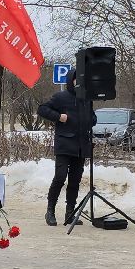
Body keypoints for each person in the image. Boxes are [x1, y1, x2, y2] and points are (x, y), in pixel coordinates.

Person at [38, 68, 97, 227]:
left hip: (81, 145)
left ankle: (69, 213)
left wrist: (90, 119)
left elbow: (93, 118)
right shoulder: (61, 97)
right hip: (64, 145)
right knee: (60, 177)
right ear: (71, 80)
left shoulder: (86, 99)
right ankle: (50, 211)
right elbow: (42, 109)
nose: (79, 83)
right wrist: (59, 117)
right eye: (76, 79)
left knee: (75, 180)